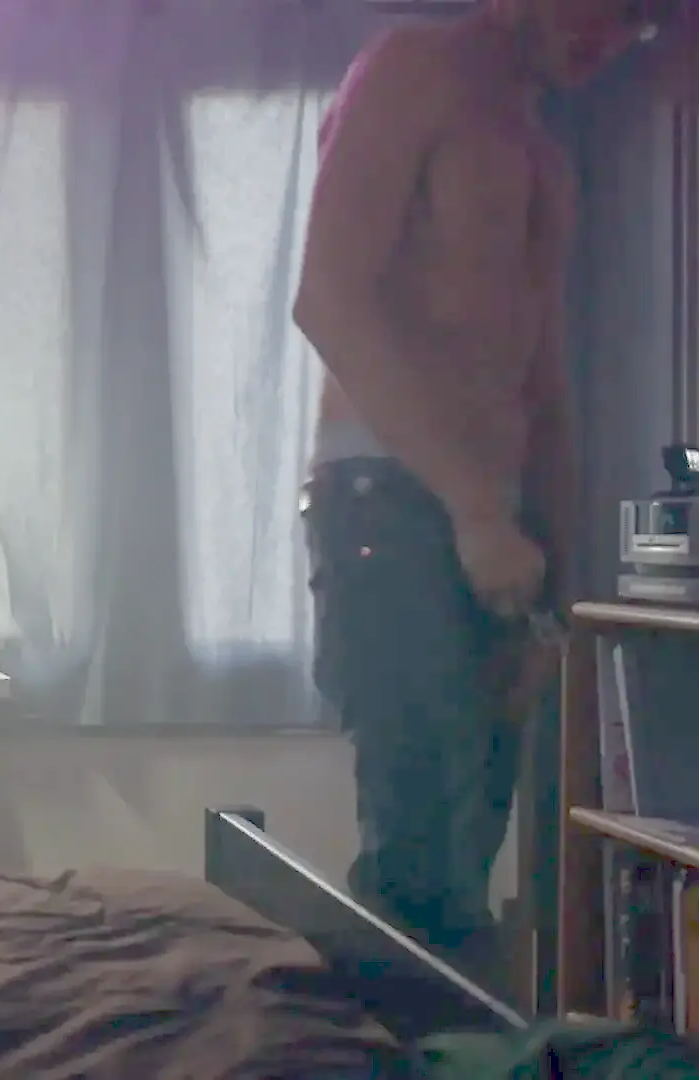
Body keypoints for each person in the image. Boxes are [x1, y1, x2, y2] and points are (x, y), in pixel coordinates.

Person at [292, 0, 655, 980]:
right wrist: (475, 510)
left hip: (500, 536)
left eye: (634, 26)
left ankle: (448, 1037)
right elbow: (327, 296)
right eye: (603, 9)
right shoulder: (412, 69)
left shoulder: (541, 149)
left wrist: (556, 587)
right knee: (423, 847)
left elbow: (545, 383)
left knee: (471, 845)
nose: (607, 39)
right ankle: (406, 1041)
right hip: (391, 497)